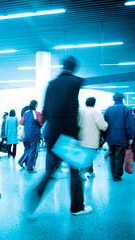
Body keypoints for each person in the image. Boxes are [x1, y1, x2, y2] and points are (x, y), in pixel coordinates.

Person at [26, 56, 90, 216]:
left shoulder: (51, 84)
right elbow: (72, 109)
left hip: (52, 134)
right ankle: (77, 207)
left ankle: (35, 195)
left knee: (50, 171)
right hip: (68, 135)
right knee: (75, 171)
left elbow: (45, 111)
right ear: (74, 67)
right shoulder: (75, 82)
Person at [104, 92, 135, 182]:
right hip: (122, 137)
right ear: (122, 99)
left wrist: (104, 136)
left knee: (112, 156)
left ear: (113, 99)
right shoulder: (125, 109)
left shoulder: (108, 110)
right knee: (119, 156)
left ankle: (113, 173)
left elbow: (104, 124)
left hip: (110, 137)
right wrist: (130, 137)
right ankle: (116, 176)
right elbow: (130, 125)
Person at [78, 97, 108, 180]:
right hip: (91, 139)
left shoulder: (81, 112)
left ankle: (90, 172)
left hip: (82, 138)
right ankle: (81, 173)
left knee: (86, 156)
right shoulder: (96, 112)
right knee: (88, 157)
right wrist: (107, 125)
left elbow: (78, 124)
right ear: (94, 103)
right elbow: (103, 126)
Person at [19, 100, 43, 173]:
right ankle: (30, 168)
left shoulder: (25, 113)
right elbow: (41, 123)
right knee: (33, 151)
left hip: (27, 135)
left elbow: (21, 122)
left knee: (28, 150)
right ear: (36, 105)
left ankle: (21, 161)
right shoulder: (36, 113)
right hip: (34, 135)